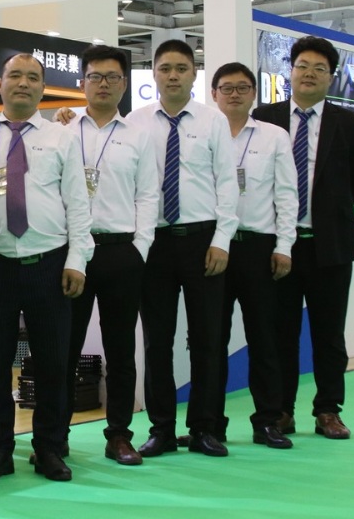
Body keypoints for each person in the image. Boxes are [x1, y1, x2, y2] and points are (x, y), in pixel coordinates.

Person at [0, 53, 94, 483]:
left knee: (53, 364)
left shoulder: (62, 139)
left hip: (48, 265)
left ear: (42, 88)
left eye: (32, 77)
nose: (23, 83)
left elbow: (78, 204)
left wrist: (77, 260)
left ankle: (49, 447)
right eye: (14, 76)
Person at [252, 35, 354, 441]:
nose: (309, 73)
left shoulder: (349, 123)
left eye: (319, 68)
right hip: (277, 245)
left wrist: (325, 211)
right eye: (302, 65)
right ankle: (281, 410)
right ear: (290, 71)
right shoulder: (264, 117)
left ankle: (328, 410)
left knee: (328, 333)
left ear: (331, 78)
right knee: (279, 333)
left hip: (329, 244)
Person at [129, 39, 239, 459]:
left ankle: (204, 428)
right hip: (152, 242)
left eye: (181, 68)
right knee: (156, 341)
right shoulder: (136, 122)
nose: (172, 75)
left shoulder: (213, 121)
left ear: (194, 74)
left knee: (207, 339)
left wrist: (222, 240)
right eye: (165, 68)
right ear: (154, 74)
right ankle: (161, 428)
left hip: (202, 241)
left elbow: (226, 183)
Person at [60, 45, 159, 466]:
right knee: (63, 348)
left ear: (124, 84)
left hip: (121, 252)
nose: (103, 84)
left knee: (121, 350)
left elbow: (148, 195)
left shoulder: (138, 135)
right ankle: (56, 434)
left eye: (112, 77)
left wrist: (140, 248)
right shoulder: (62, 131)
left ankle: (119, 434)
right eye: (95, 76)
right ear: (82, 82)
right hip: (72, 254)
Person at [209, 62, 297, 450]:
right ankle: (210, 425)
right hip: (214, 246)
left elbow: (287, 195)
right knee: (211, 340)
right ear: (213, 93)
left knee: (264, 338)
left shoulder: (274, 136)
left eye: (242, 88)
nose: (234, 94)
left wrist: (283, 246)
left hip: (259, 247)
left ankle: (267, 422)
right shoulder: (202, 133)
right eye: (226, 88)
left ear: (253, 94)